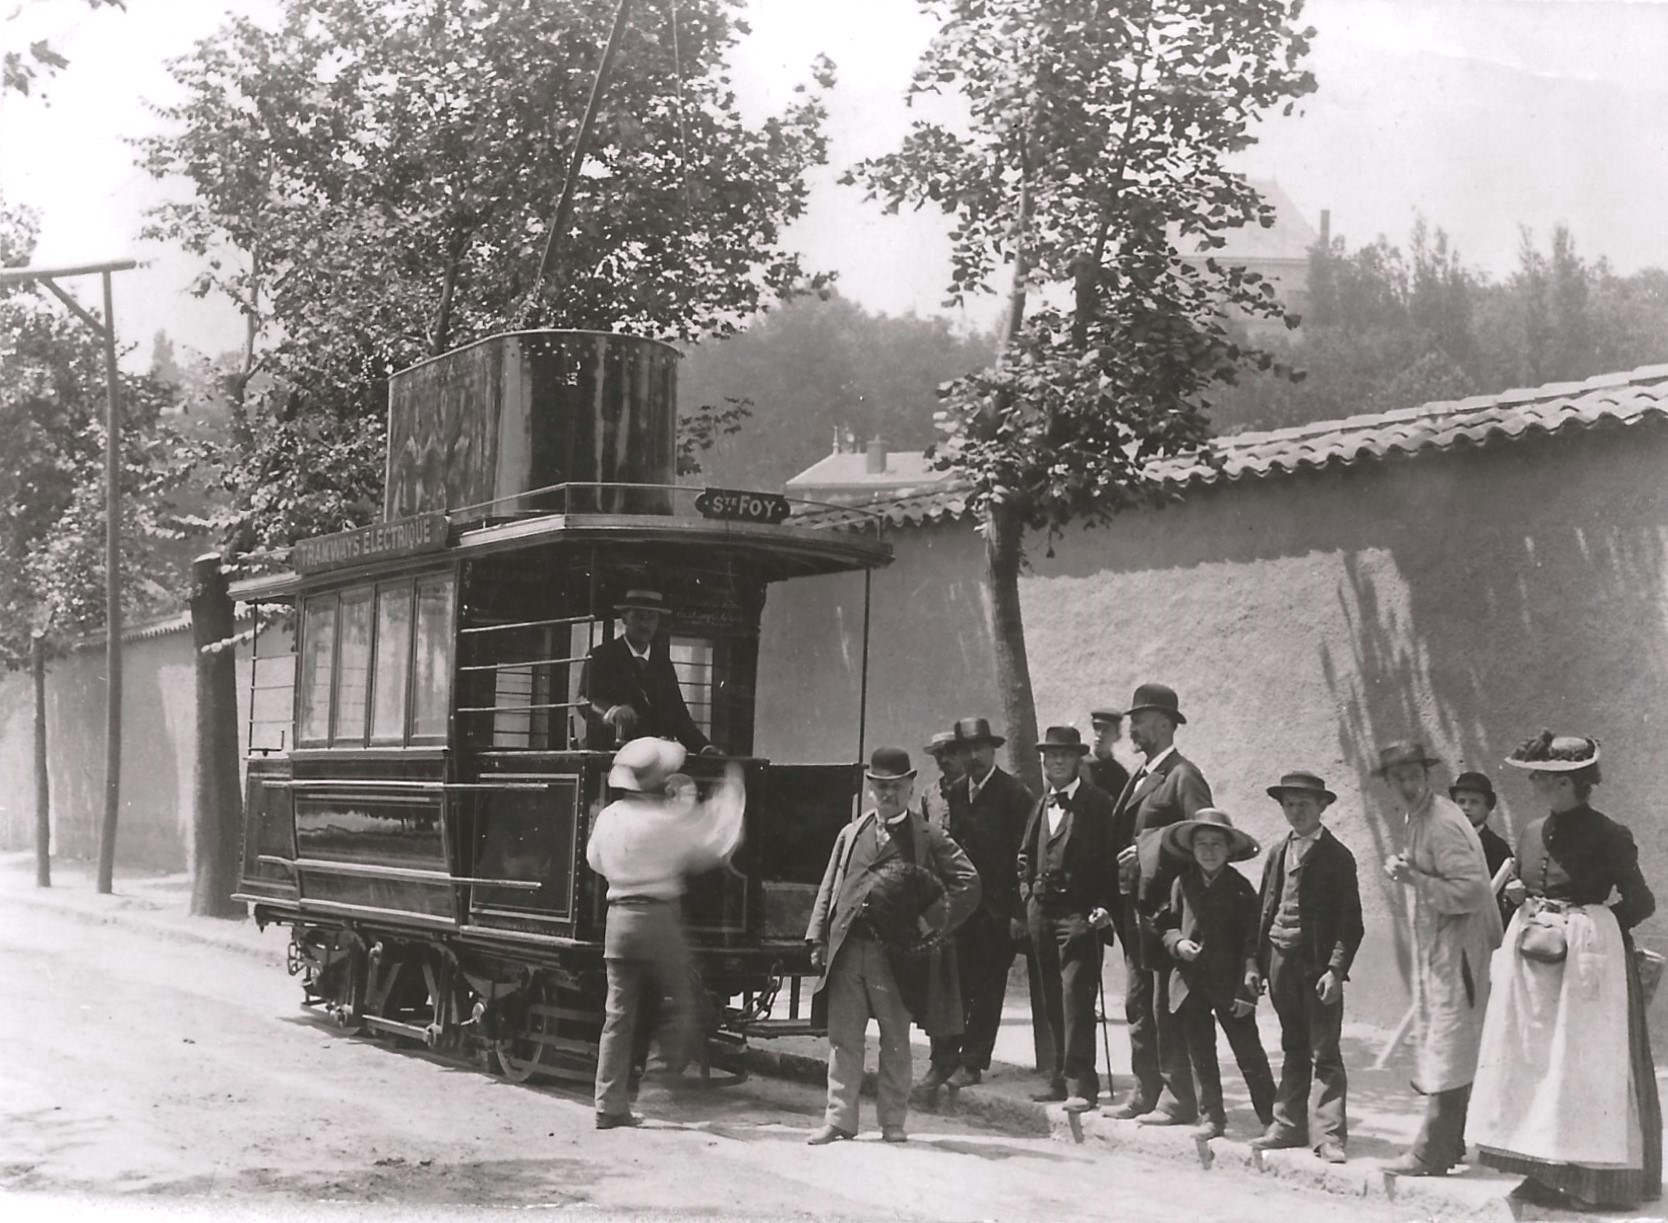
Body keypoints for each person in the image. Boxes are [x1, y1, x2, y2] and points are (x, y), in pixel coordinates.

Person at [1469, 732, 1661, 1210]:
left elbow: (1641, 902)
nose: (1533, 782)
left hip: (1588, 972)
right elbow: (1531, 886)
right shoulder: (1533, 831)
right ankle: (1540, 1171)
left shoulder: (1609, 834)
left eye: (1542, 776)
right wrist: (1522, 898)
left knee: (1583, 1067)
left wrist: (1592, 924)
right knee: (1533, 1061)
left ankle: (1595, 1184)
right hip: (1535, 965)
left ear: (1569, 783)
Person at [805, 747, 981, 1144]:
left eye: (896, 787)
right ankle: (839, 1120)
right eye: (880, 787)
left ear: (909, 786)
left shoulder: (927, 835)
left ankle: (892, 1123)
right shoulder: (851, 834)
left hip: (896, 957)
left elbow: (969, 883)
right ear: (870, 789)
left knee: (895, 1041)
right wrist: (816, 936)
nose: (888, 795)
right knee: (844, 1039)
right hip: (848, 949)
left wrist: (928, 921)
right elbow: (830, 886)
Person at [586, 737, 745, 1129]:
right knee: (681, 1000)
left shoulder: (609, 817)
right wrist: (730, 797)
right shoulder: (665, 820)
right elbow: (708, 847)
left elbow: (594, 861)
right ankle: (657, 1083)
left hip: (618, 919)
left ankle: (608, 1104)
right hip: (658, 919)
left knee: (617, 1017)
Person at [1377, 740, 1502, 1178]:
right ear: (1388, 784)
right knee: (1448, 1045)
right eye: (1399, 779)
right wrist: (1412, 867)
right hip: (1445, 946)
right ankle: (1448, 1146)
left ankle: (1429, 1152)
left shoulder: (1442, 821)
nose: (1408, 785)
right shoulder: (1422, 817)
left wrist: (1414, 878)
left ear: (1426, 777)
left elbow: (1468, 892)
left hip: (1461, 947)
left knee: (1450, 1046)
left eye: (1414, 776)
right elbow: (1440, 872)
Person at [1108, 682, 1212, 1124]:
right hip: (1137, 907)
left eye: (1141, 718)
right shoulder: (1142, 773)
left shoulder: (1183, 776)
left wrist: (1151, 849)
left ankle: (1177, 1098)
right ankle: (1144, 1091)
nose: (1132, 726)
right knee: (1137, 1001)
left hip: (1168, 911)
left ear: (1166, 724)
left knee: (1164, 1006)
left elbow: (1205, 841)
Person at [1248, 771, 1363, 1164]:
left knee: (1324, 1051)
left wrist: (1335, 969)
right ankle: (1287, 1125)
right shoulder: (1279, 852)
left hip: (1316, 968)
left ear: (1322, 807)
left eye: (1304, 804)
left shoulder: (1337, 856)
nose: (1296, 811)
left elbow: (1351, 922)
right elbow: (1264, 908)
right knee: (1293, 1045)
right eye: (1289, 804)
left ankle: (1329, 1135)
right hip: (1280, 960)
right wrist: (1255, 963)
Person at [924, 717, 1034, 1090]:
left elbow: (1025, 857)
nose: (972, 756)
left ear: (992, 750)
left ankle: (972, 1063)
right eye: (966, 750)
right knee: (957, 985)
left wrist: (1019, 913)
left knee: (988, 988)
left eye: (979, 749)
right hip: (962, 910)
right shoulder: (956, 793)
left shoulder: (1014, 794)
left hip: (998, 911)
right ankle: (946, 1059)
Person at [1155, 808, 1275, 1141]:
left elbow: (1254, 943)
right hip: (1191, 984)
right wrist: (1178, 943)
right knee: (1201, 1053)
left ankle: (1270, 1114)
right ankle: (1212, 1117)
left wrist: (1246, 991)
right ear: (1191, 849)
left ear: (1229, 850)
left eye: (1216, 844)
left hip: (1230, 984)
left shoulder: (1240, 889)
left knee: (1248, 1050)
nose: (1209, 851)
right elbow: (1165, 924)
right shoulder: (1182, 884)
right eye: (1202, 844)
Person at [1016, 726, 1118, 1110]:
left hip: (1080, 916)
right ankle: (1058, 1077)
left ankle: (1081, 1085)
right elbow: (1024, 857)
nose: (1056, 761)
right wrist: (1027, 898)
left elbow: (1113, 859)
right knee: (1052, 998)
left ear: (1077, 760)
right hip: (1042, 915)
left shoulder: (1099, 803)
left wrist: (1106, 906)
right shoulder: (1041, 805)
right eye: (1050, 755)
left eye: (1064, 755)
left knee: (1077, 997)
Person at [578, 588, 717, 754]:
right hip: (611, 756)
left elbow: (679, 717)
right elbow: (583, 701)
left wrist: (704, 747)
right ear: (624, 617)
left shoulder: (663, 664)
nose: (644, 624)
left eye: (651, 618)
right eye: (638, 616)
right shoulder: (601, 656)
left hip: (655, 760)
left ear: (658, 621)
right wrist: (612, 712)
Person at [1451, 771, 1514, 926]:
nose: (1466, 807)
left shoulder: (1497, 848)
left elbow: (1506, 901)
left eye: (1474, 802)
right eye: (1461, 801)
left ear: (1488, 808)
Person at [919, 730, 963, 833]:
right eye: (939, 754)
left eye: (951, 752)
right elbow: (919, 831)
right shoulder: (929, 794)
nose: (944, 759)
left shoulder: (974, 790)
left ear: (963, 753)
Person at [1084, 706, 1131, 798]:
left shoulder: (1120, 775)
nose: (1100, 734)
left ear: (1117, 736)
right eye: (1096, 728)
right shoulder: (1079, 765)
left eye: (1106, 730)